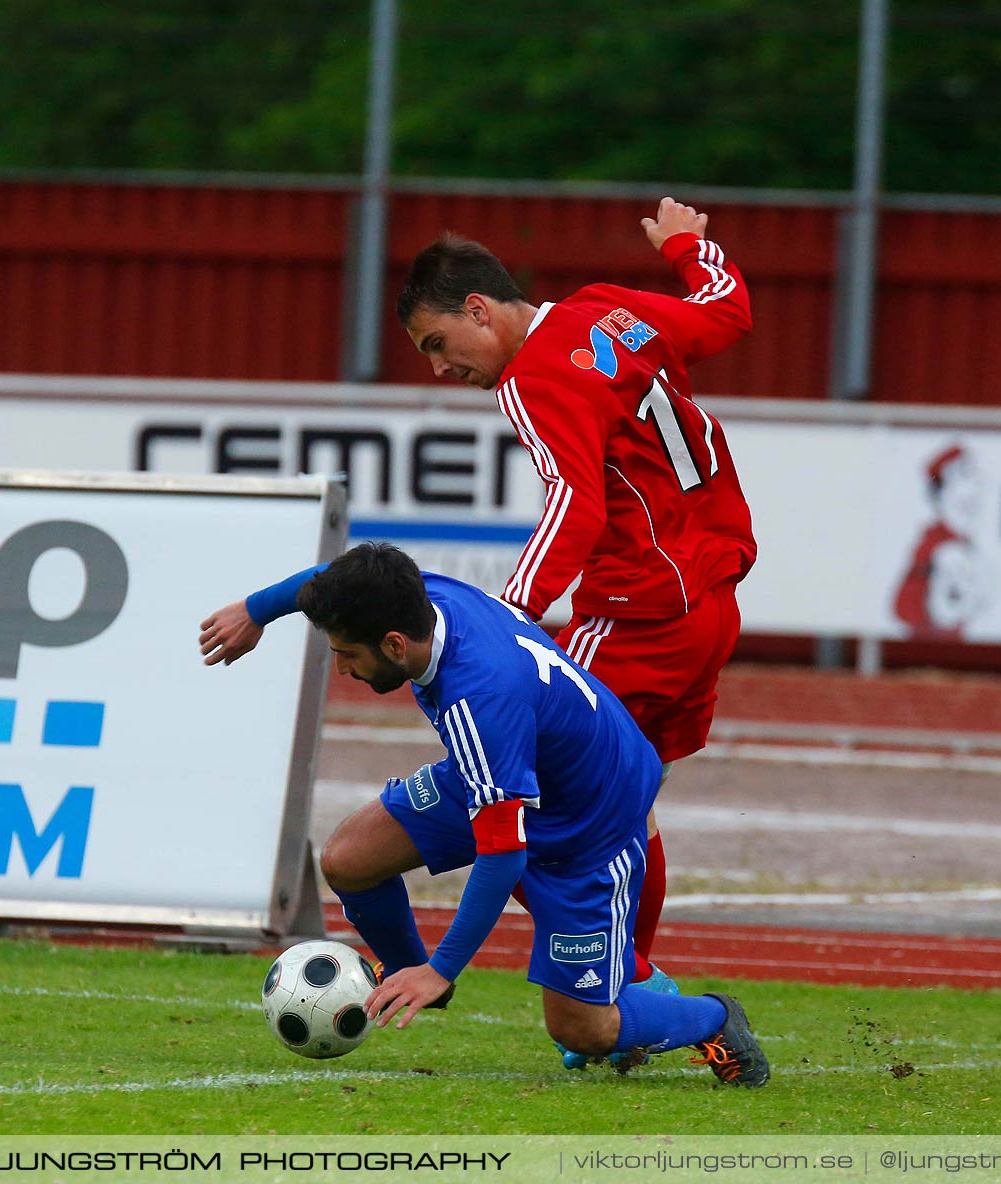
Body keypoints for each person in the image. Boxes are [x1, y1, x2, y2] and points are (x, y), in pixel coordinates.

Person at [202, 199, 759, 1068]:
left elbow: (572, 503)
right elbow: (728, 311)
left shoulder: (533, 378)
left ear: (479, 310)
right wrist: (690, 248)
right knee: (620, 797)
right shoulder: (606, 308)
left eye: (436, 344)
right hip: (710, 597)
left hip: (639, 608)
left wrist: (513, 617)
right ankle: (622, 983)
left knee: (569, 792)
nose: (437, 367)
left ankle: (622, 996)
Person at [246, 542, 768, 1086]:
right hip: (511, 768)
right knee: (349, 859)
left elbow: (502, 855)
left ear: (395, 644)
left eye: (347, 653)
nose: (342, 667)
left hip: (588, 829)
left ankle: (714, 1018)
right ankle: (409, 975)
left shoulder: (479, 698)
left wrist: (442, 966)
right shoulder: (423, 597)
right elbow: (339, 575)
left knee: (581, 1030)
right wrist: (254, 611)